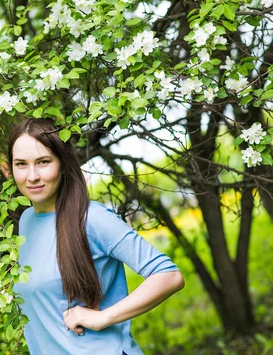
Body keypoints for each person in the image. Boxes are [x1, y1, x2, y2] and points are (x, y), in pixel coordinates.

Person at [10, 118, 184, 355]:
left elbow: (169, 275)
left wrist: (104, 318)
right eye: (21, 164)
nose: (32, 176)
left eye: (43, 162)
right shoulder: (27, 221)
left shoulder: (92, 219)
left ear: (62, 164)